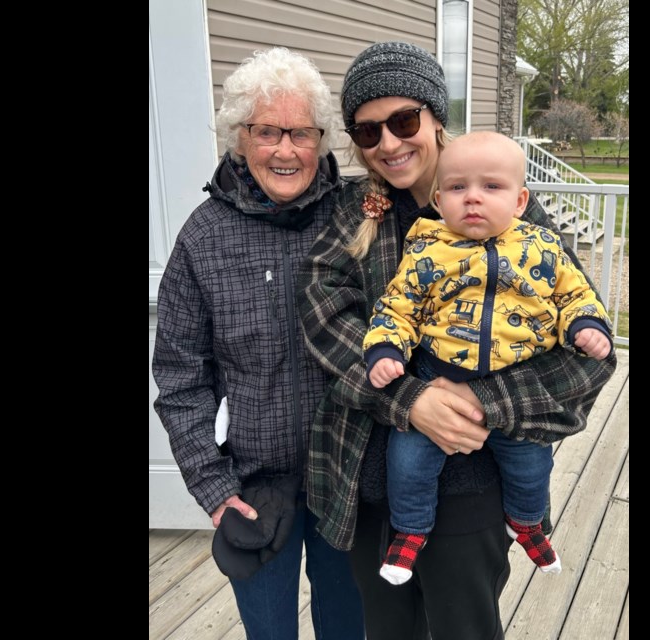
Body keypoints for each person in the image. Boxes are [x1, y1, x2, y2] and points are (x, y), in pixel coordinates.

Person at [297, 41, 616, 640]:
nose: (388, 143)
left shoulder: (512, 215)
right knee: (387, 626)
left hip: (475, 479)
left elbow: (589, 355)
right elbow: (322, 316)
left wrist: (482, 404)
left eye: (403, 121)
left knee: (464, 624)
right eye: (367, 132)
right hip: (373, 477)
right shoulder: (356, 211)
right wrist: (409, 399)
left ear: (436, 118)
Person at [152, 48, 363, 640]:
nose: (285, 149)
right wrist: (214, 491)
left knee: (348, 627)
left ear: (319, 141)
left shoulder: (358, 215)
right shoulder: (204, 235)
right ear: (238, 136)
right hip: (253, 486)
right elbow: (179, 376)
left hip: (345, 472)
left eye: (300, 133)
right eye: (266, 130)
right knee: (269, 631)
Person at [363, 131, 613, 585]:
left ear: (520, 201)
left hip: (514, 384)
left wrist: (585, 325)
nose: (473, 198)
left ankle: (527, 522)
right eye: (458, 188)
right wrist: (385, 348)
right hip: (439, 378)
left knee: (532, 461)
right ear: (439, 201)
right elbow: (398, 306)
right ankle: (410, 532)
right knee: (409, 460)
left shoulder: (542, 247)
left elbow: (573, 292)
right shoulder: (427, 250)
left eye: (491, 187)